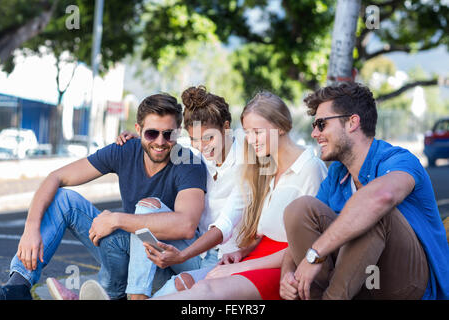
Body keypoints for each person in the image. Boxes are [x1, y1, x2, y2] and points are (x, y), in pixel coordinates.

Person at [0, 93, 207, 300]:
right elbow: (56, 177)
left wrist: (116, 220)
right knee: (64, 199)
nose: (160, 142)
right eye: (152, 134)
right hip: (127, 255)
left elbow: (186, 225)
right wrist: (30, 229)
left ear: (178, 132)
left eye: (168, 134)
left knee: (138, 221)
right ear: (138, 130)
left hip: (166, 267)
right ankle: (17, 287)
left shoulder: (189, 163)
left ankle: (109, 293)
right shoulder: (125, 150)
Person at [147, 91, 328, 300]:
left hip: (283, 266)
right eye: (247, 133)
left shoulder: (310, 169)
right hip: (256, 255)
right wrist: (241, 254)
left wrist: (244, 265)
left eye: (257, 132)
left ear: (280, 127)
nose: (250, 140)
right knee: (197, 289)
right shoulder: (264, 168)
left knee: (206, 292)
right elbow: (243, 222)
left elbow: (310, 244)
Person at [280, 82, 449, 300]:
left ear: (352, 122)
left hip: (409, 284)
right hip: (361, 280)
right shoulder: (337, 174)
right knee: (300, 209)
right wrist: (288, 273)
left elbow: (381, 197)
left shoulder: (399, 159)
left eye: (321, 124)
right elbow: (301, 233)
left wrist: (315, 254)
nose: (314, 133)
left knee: (373, 209)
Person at [116, 85, 247, 295]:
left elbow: (224, 226)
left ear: (226, 127)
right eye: (195, 139)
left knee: (180, 284)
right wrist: (141, 137)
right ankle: (136, 294)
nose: (202, 146)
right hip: (196, 248)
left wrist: (182, 256)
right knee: (147, 208)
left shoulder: (246, 162)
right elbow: (167, 143)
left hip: (226, 256)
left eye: (209, 138)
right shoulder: (198, 154)